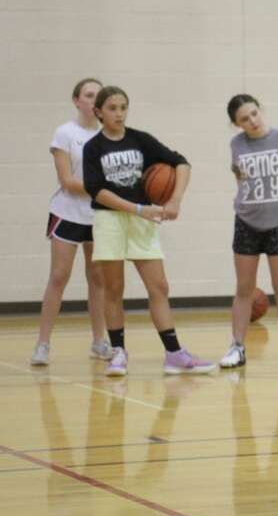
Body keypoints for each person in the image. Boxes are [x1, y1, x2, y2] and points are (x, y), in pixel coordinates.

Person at [82, 86, 215, 377]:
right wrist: (138, 209)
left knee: (159, 287)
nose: (119, 113)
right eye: (112, 108)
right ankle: (118, 352)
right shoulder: (93, 147)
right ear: (99, 112)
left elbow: (181, 163)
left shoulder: (140, 139)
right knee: (113, 288)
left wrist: (175, 200)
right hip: (110, 219)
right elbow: (97, 191)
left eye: (123, 107)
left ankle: (174, 353)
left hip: (141, 222)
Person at [220, 95, 278, 370]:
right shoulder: (236, 145)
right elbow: (238, 174)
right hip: (246, 223)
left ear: (260, 110)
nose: (252, 121)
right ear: (236, 124)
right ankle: (237, 347)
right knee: (244, 289)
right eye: (244, 119)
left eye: (254, 113)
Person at [32, 78, 111, 366]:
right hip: (67, 213)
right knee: (59, 276)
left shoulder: (109, 135)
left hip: (99, 214)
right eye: (88, 95)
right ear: (76, 100)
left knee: (98, 279)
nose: (93, 100)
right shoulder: (65, 133)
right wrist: (104, 189)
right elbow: (67, 181)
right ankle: (42, 344)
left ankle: (99, 341)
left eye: (98, 96)